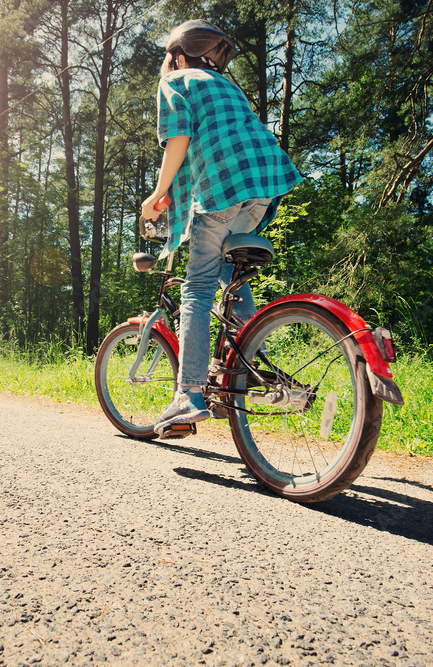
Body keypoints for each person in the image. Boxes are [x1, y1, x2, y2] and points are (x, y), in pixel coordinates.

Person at [140, 19, 302, 438]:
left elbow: (178, 139)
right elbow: (221, 140)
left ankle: (187, 396)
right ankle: (249, 367)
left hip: (227, 187)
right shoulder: (226, 86)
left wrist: (157, 194)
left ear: (177, 53)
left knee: (197, 287)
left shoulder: (177, 80)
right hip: (263, 185)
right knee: (229, 274)